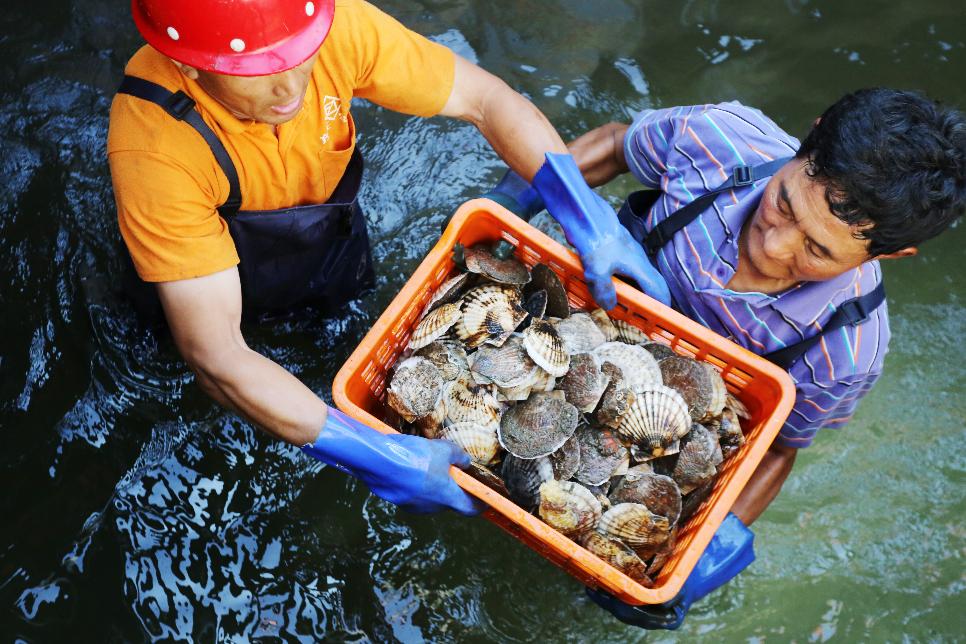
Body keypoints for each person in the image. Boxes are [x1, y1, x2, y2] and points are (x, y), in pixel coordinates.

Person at [107, 0, 669, 517]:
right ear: (189, 66)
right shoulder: (154, 146)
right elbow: (216, 355)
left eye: (299, 55)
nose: (290, 87)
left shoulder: (324, 25)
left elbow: (485, 99)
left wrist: (587, 218)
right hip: (199, 293)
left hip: (330, 249)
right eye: (254, 72)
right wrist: (370, 454)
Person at [487, 88, 966, 628]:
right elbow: (618, 145)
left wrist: (708, 550)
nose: (774, 246)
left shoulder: (846, 349)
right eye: (784, 201)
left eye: (818, 250)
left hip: (672, 424)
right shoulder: (716, 139)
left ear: (891, 254)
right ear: (811, 135)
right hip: (581, 319)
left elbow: (778, 448)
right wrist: (513, 203)